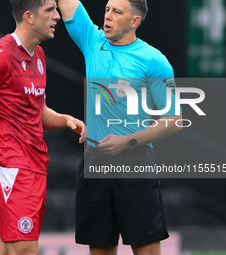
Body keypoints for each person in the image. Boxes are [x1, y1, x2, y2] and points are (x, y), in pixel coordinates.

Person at [0, 0, 87, 254]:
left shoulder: (38, 55)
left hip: (35, 166)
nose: (57, 16)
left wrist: (65, 119)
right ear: (29, 17)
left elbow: (38, 111)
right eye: (50, 10)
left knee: (10, 249)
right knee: (25, 249)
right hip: (9, 166)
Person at [58, 0, 182, 254]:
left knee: (146, 250)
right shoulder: (92, 40)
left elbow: (174, 119)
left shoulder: (154, 60)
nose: (108, 16)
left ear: (135, 21)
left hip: (135, 162)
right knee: (101, 250)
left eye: (117, 11)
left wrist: (128, 141)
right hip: (95, 161)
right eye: (107, 10)